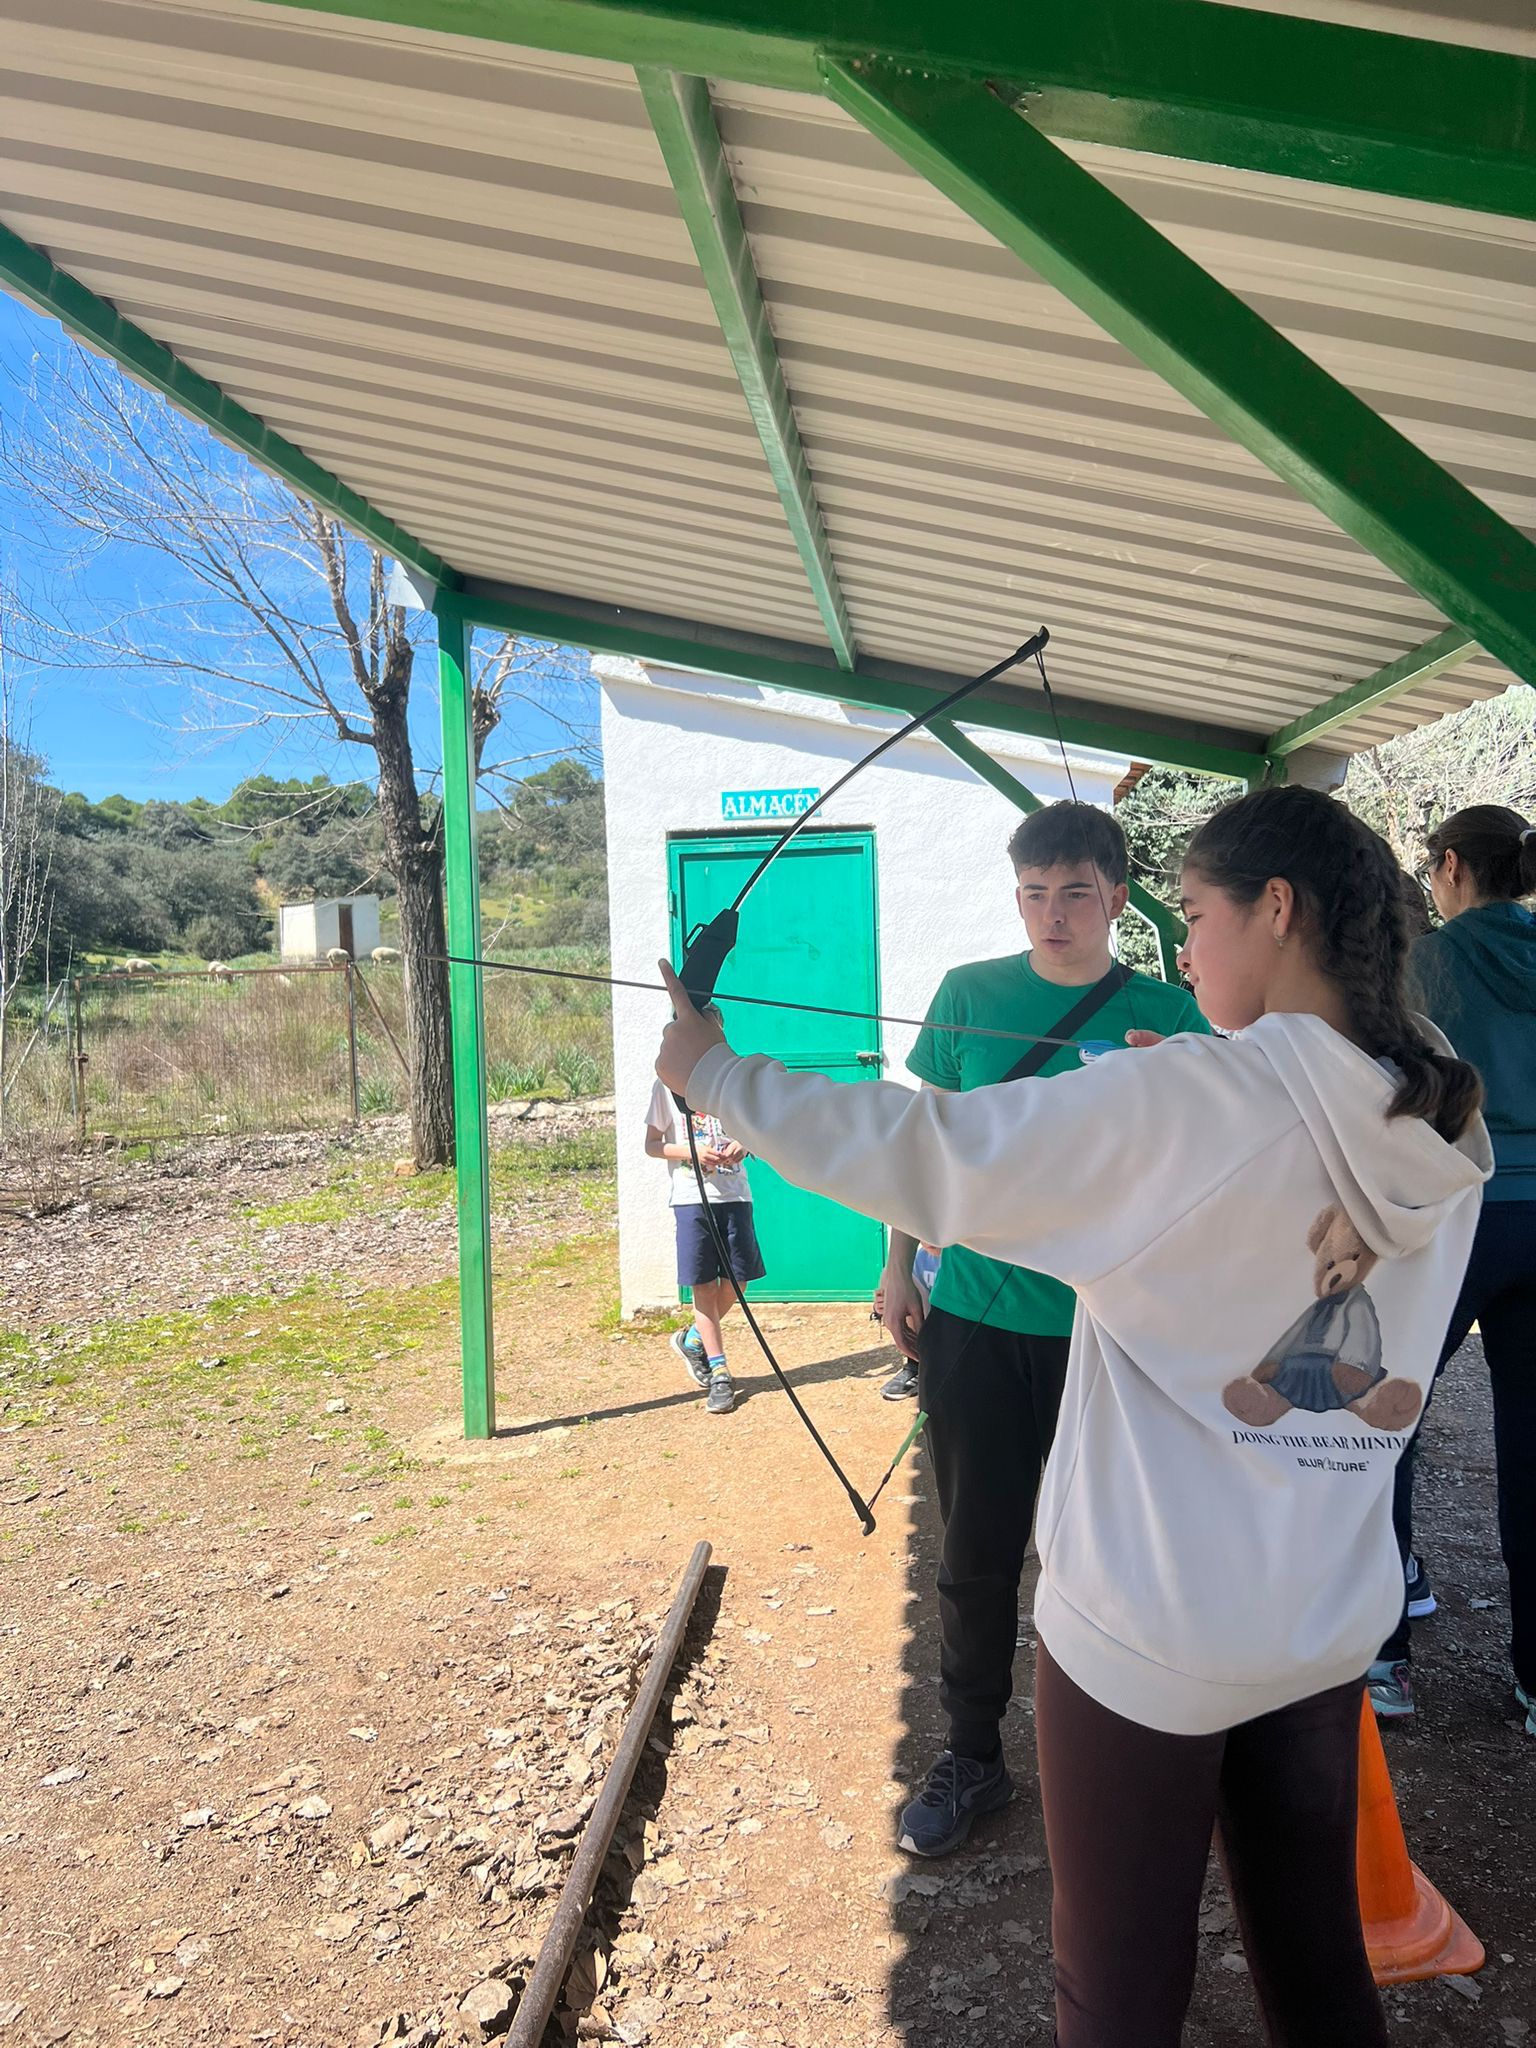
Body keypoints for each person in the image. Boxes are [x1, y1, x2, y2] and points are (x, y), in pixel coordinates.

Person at [656, 785, 1488, 2048]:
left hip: (1153, 1632)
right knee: (1318, 1962)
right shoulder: (1435, 1104)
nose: (1184, 948)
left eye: (1194, 914)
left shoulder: (1188, 1101)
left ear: (1276, 909)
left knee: (1117, 1995)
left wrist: (712, 1070)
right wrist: (1169, 1106)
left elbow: (927, 1149)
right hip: (1323, 1619)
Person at [878, 803, 1208, 1854]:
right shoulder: (968, 995)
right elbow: (923, 1145)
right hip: (977, 1318)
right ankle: (972, 1753)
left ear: (1117, 895)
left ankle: (1120, 1758)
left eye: (1074, 892)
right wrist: (897, 1265)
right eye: (1033, 893)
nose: (1052, 914)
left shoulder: (1174, 1010)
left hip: (1117, 1327)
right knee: (976, 1547)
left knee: (1113, 1550)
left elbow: (1213, 1160)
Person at [1369, 806, 1536, 1726]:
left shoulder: (1424, 964)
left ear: (1450, 868)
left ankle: (1384, 1656)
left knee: (1384, 1419)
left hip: (1461, 1210)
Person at [645, 1013, 764, 1416]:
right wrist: (692, 1152)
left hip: (735, 1195)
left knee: (739, 1281)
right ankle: (720, 1374)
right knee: (703, 1286)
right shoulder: (665, 1086)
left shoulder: (732, 1081)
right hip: (691, 1198)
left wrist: (743, 1145)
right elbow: (652, 1144)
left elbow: (752, 1131)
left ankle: (694, 1339)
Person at [876, 1243, 939, 1401]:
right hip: (928, 1323)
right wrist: (882, 1305)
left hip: (956, 1325)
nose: (928, 1240)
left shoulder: (965, 1257)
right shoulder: (920, 1257)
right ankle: (916, 1365)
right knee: (891, 1274)